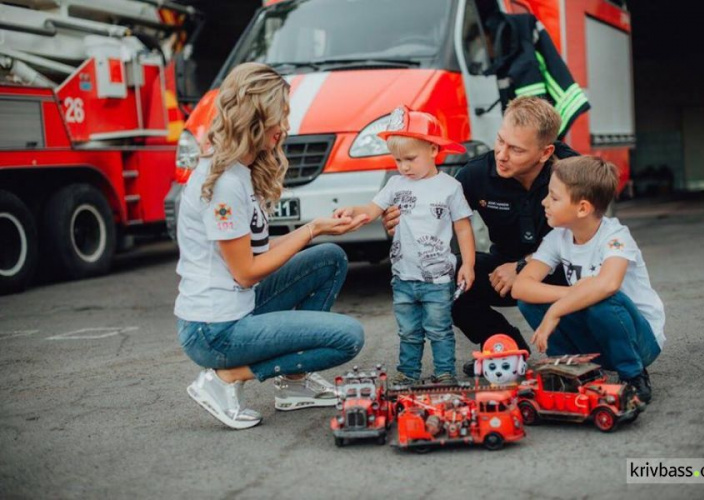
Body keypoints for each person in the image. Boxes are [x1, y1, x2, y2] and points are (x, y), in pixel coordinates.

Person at [174, 62, 369, 429]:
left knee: (329, 259)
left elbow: (255, 253)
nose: (284, 128)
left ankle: (294, 385)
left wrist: (322, 230)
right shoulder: (224, 184)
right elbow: (246, 272)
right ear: (255, 118)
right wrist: (311, 229)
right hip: (214, 331)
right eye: (280, 116)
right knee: (347, 337)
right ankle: (225, 379)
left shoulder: (240, 171)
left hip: (236, 309)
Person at [382, 96, 576, 376]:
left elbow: (586, 238)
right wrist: (398, 221)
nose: (502, 155)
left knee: (594, 284)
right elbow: (434, 210)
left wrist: (523, 267)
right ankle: (505, 347)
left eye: (516, 150)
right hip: (500, 272)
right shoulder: (476, 175)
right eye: (500, 141)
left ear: (545, 153)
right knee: (449, 277)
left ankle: (590, 348)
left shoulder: (572, 172)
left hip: (563, 272)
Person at [334, 106, 475, 386]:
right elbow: (372, 209)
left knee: (439, 329)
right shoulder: (396, 184)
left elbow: (463, 227)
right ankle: (408, 373)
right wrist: (353, 211)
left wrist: (468, 264)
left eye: (410, 159)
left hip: (438, 278)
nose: (404, 167)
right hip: (403, 277)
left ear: (434, 150)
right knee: (409, 331)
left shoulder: (449, 187)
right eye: (398, 160)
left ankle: (445, 373)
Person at [512, 156, 664, 403]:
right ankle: (569, 370)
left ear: (583, 208)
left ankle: (633, 374)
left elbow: (608, 284)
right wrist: (571, 295)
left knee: (602, 300)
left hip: (639, 339)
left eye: (554, 197)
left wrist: (556, 311)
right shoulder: (558, 237)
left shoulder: (615, 237)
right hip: (597, 337)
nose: (544, 202)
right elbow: (521, 287)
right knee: (531, 302)